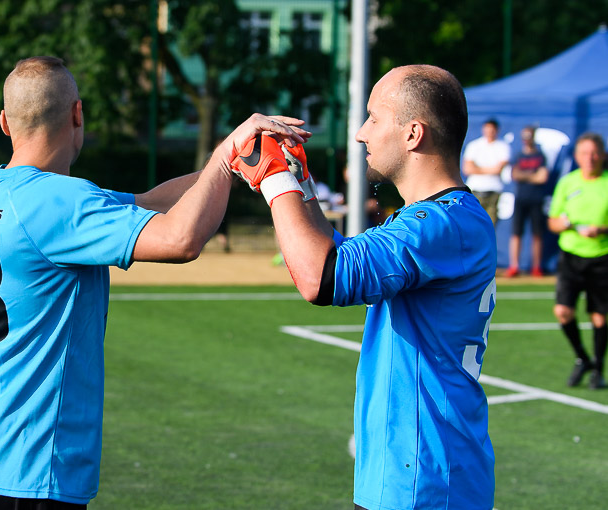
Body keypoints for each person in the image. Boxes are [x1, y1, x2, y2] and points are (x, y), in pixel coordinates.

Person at [0, 56, 309, 509]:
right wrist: (226, 148)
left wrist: (231, 165)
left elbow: (148, 203)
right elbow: (181, 239)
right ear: (77, 114)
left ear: (4, 122)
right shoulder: (60, 200)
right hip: (23, 465)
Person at [232, 65, 496, 509]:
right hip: (414, 473)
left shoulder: (438, 224)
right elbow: (336, 254)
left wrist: (274, 176)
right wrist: (301, 182)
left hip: (425, 481)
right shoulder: (439, 217)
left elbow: (322, 277)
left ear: (413, 134)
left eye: (374, 118)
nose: (360, 133)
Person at [547, 132, 608, 390]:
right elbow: (553, 221)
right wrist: (564, 225)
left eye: (594, 153)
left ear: (602, 155)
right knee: (563, 311)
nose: (589, 158)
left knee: (600, 317)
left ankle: (598, 371)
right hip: (571, 257)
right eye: (584, 153)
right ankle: (583, 359)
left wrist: (601, 230)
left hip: (601, 258)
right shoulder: (568, 183)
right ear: (577, 156)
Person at [506, 126, 549, 277]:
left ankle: (536, 267)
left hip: (536, 199)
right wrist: (532, 175)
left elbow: (542, 177)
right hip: (521, 198)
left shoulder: (540, 156)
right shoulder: (519, 155)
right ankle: (514, 266)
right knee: (516, 233)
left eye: (529, 136)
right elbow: (515, 174)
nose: (526, 140)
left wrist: (524, 175)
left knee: (537, 234)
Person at [462, 118, 511, 224]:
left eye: (492, 130)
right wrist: (490, 169)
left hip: (494, 191)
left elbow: (498, 169)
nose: (489, 132)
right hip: (475, 190)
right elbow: (467, 169)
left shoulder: (503, 146)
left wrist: (477, 169)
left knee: (490, 224)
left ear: (497, 130)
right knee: (473, 224)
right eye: (487, 129)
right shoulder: (474, 145)